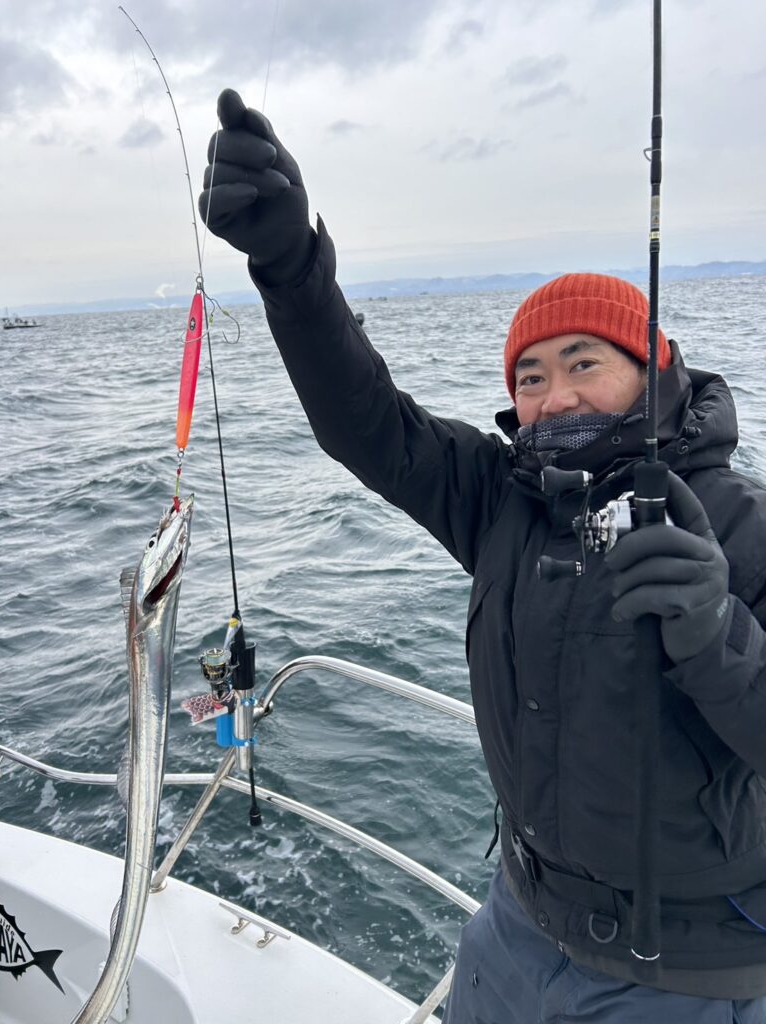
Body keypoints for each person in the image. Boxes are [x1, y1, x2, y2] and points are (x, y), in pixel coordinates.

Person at [199, 89, 766, 1022]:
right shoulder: (503, 499)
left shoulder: (742, 522)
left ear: (653, 372)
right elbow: (368, 423)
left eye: (584, 363)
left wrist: (717, 635)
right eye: (530, 378)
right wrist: (291, 268)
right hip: (516, 924)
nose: (554, 397)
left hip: (683, 973)